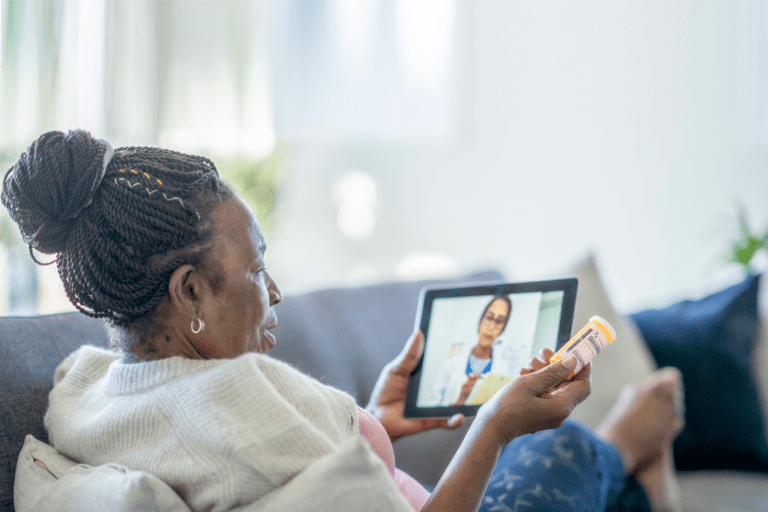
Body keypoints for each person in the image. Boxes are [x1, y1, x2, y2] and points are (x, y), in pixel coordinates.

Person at [2, 130, 685, 512]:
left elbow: (297, 482)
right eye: (255, 270)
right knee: (558, 449)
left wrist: (374, 422)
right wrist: (497, 426)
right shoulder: (232, 407)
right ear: (189, 295)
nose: (273, 292)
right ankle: (631, 446)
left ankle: (644, 480)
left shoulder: (94, 394)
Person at [428, 294, 529, 406]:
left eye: (499, 321)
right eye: (489, 317)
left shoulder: (504, 367)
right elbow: (432, 408)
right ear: (481, 320)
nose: (491, 327)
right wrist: (461, 399)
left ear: (502, 328)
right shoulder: (451, 364)